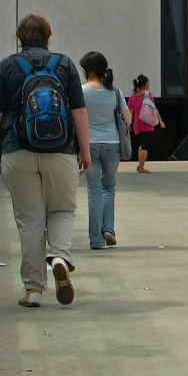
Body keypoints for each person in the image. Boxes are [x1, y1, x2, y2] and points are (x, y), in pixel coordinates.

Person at [0, 13, 87, 307]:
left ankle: (33, 289)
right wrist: (84, 150)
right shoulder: (64, 65)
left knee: (30, 219)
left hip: (17, 151)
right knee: (62, 211)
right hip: (61, 151)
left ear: (20, 38)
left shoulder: (6, 67)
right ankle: (59, 258)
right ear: (48, 37)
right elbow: (79, 112)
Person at [79, 52, 127, 250]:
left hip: (90, 144)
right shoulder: (115, 92)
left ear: (88, 70)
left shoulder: (81, 91)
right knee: (109, 188)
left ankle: (96, 240)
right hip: (112, 144)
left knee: (94, 191)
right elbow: (128, 118)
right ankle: (108, 229)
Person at [129, 74, 162, 174]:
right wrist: (160, 121)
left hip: (137, 125)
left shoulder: (132, 97)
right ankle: (141, 167)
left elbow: (130, 112)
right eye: (148, 83)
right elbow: (154, 109)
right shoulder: (148, 95)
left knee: (142, 144)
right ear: (144, 84)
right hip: (147, 124)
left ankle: (140, 164)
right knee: (145, 145)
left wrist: (128, 124)